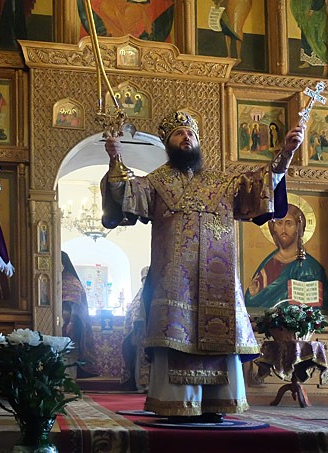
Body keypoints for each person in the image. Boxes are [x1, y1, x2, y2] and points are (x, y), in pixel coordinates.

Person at [102, 110, 304, 421]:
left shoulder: (223, 182)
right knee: (175, 336)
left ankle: (217, 403)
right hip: (174, 281)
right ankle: (177, 403)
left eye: (190, 134)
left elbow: (262, 186)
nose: (186, 138)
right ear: (168, 143)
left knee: (220, 336)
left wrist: (286, 153)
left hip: (218, 281)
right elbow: (125, 196)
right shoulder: (155, 183)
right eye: (178, 134)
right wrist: (115, 160)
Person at [245, 203, 328, 310]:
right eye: (279, 223)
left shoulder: (311, 268)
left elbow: (324, 306)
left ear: (298, 228)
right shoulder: (268, 264)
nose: (283, 229)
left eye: (289, 223)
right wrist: (252, 295)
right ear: (273, 228)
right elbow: (250, 304)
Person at [60, 251, 99, 378]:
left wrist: (71, 323)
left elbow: (75, 306)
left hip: (69, 324)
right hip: (61, 322)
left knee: (68, 353)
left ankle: (68, 381)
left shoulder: (70, 281)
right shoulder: (59, 279)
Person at [121, 267, 150, 392]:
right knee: (141, 360)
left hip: (152, 333)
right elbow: (135, 315)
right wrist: (135, 332)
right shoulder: (140, 295)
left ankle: (150, 385)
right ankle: (142, 385)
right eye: (144, 279)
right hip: (142, 333)